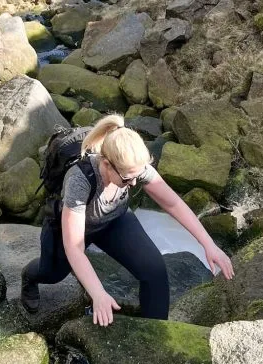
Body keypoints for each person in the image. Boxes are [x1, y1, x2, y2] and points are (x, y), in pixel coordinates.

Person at [21, 114, 234, 326]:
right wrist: (99, 293)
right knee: (52, 273)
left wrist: (208, 243)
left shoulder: (133, 166)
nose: (133, 183)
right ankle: (28, 278)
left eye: (137, 176)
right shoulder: (80, 178)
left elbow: (173, 204)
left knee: (155, 271)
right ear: (106, 164)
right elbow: (74, 247)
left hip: (113, 220)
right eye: (127, 179)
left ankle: (155, 335)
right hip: (70, 229)